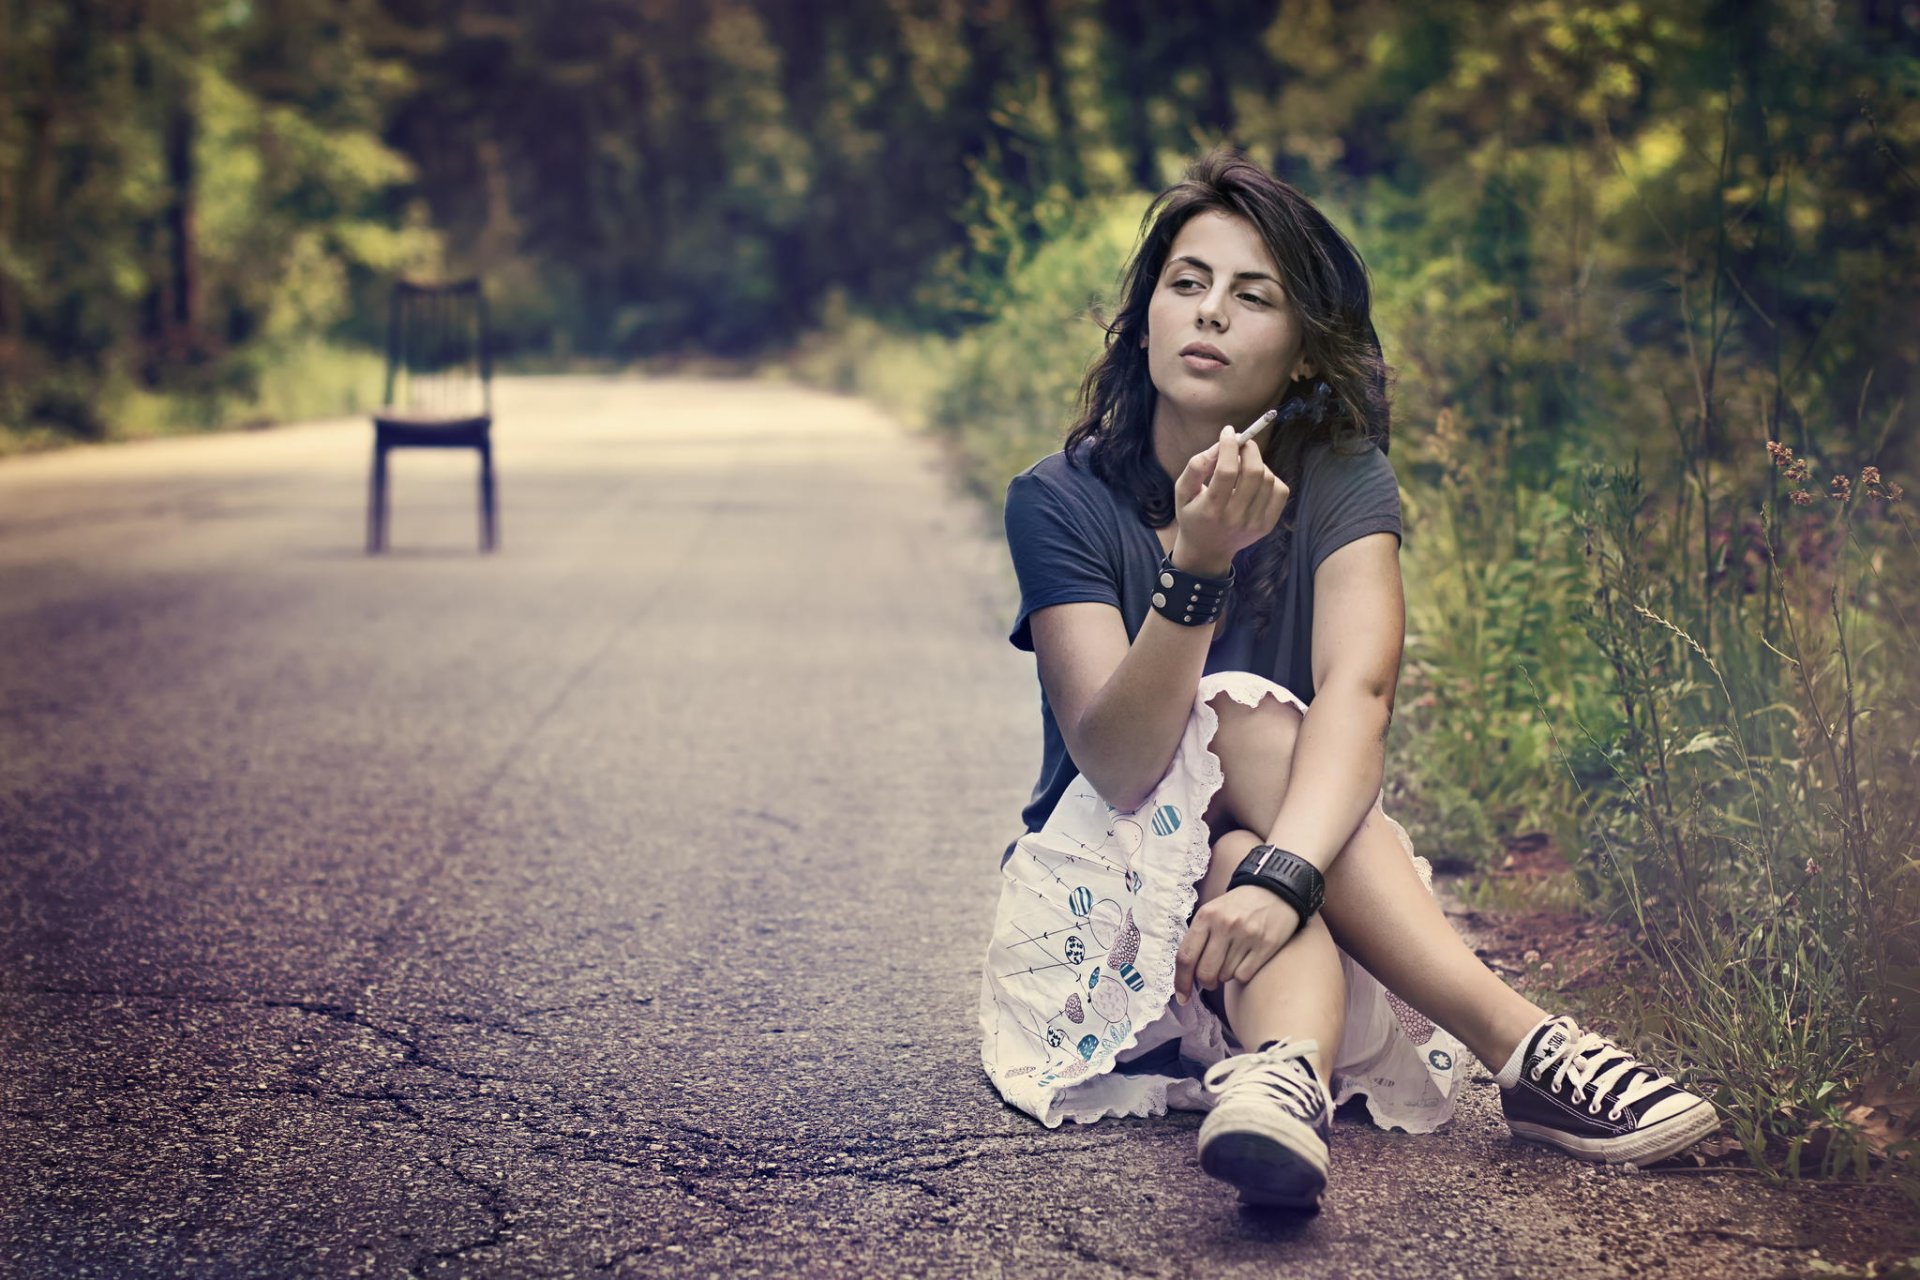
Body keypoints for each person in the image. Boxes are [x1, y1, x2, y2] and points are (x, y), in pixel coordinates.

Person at [975, 150, 1720, 1212]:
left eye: (1253, 294)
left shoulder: (1341, 476)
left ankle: (1281, 1082)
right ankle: (1524, 1042)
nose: (1211, 314)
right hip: (1104, 918)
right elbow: (1122, 762)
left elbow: (1358, 693)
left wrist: (1279, 873)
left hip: (1272, 879)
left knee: (1243, 852)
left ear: (1301, 355)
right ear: (1144, 315)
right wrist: (1196, 568)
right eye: (1186, 283)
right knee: (1231, 705)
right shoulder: (1057, 497)